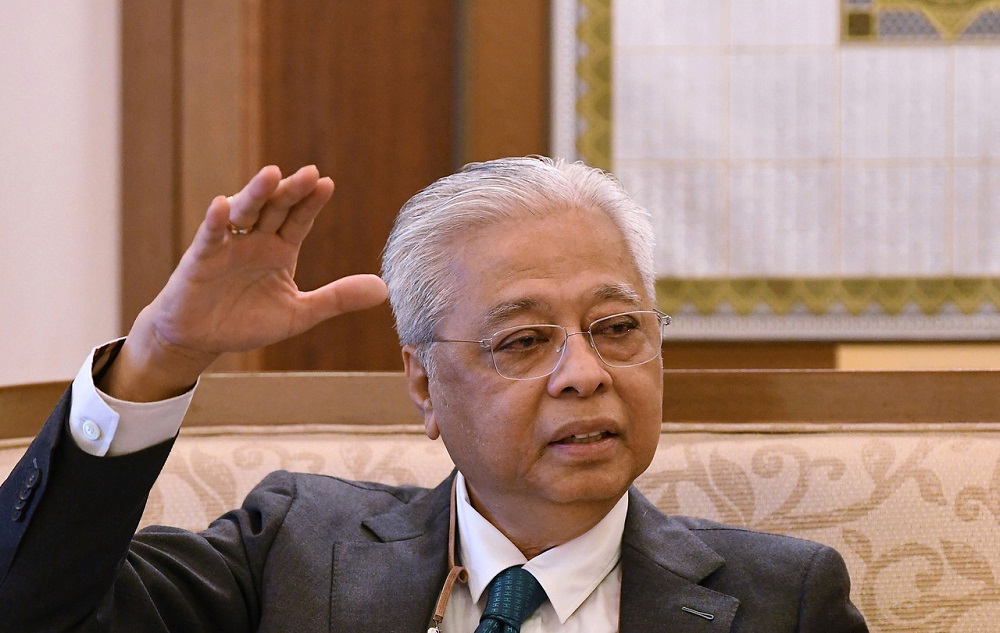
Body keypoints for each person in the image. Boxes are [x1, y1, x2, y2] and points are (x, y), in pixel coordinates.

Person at [0, 157, 868, 631]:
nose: (585, 372)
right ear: (422, 380)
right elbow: (31, 609)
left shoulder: (781, 600)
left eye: (617, 326)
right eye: (524, 341)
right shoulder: (295, 549)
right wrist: (160, 354)